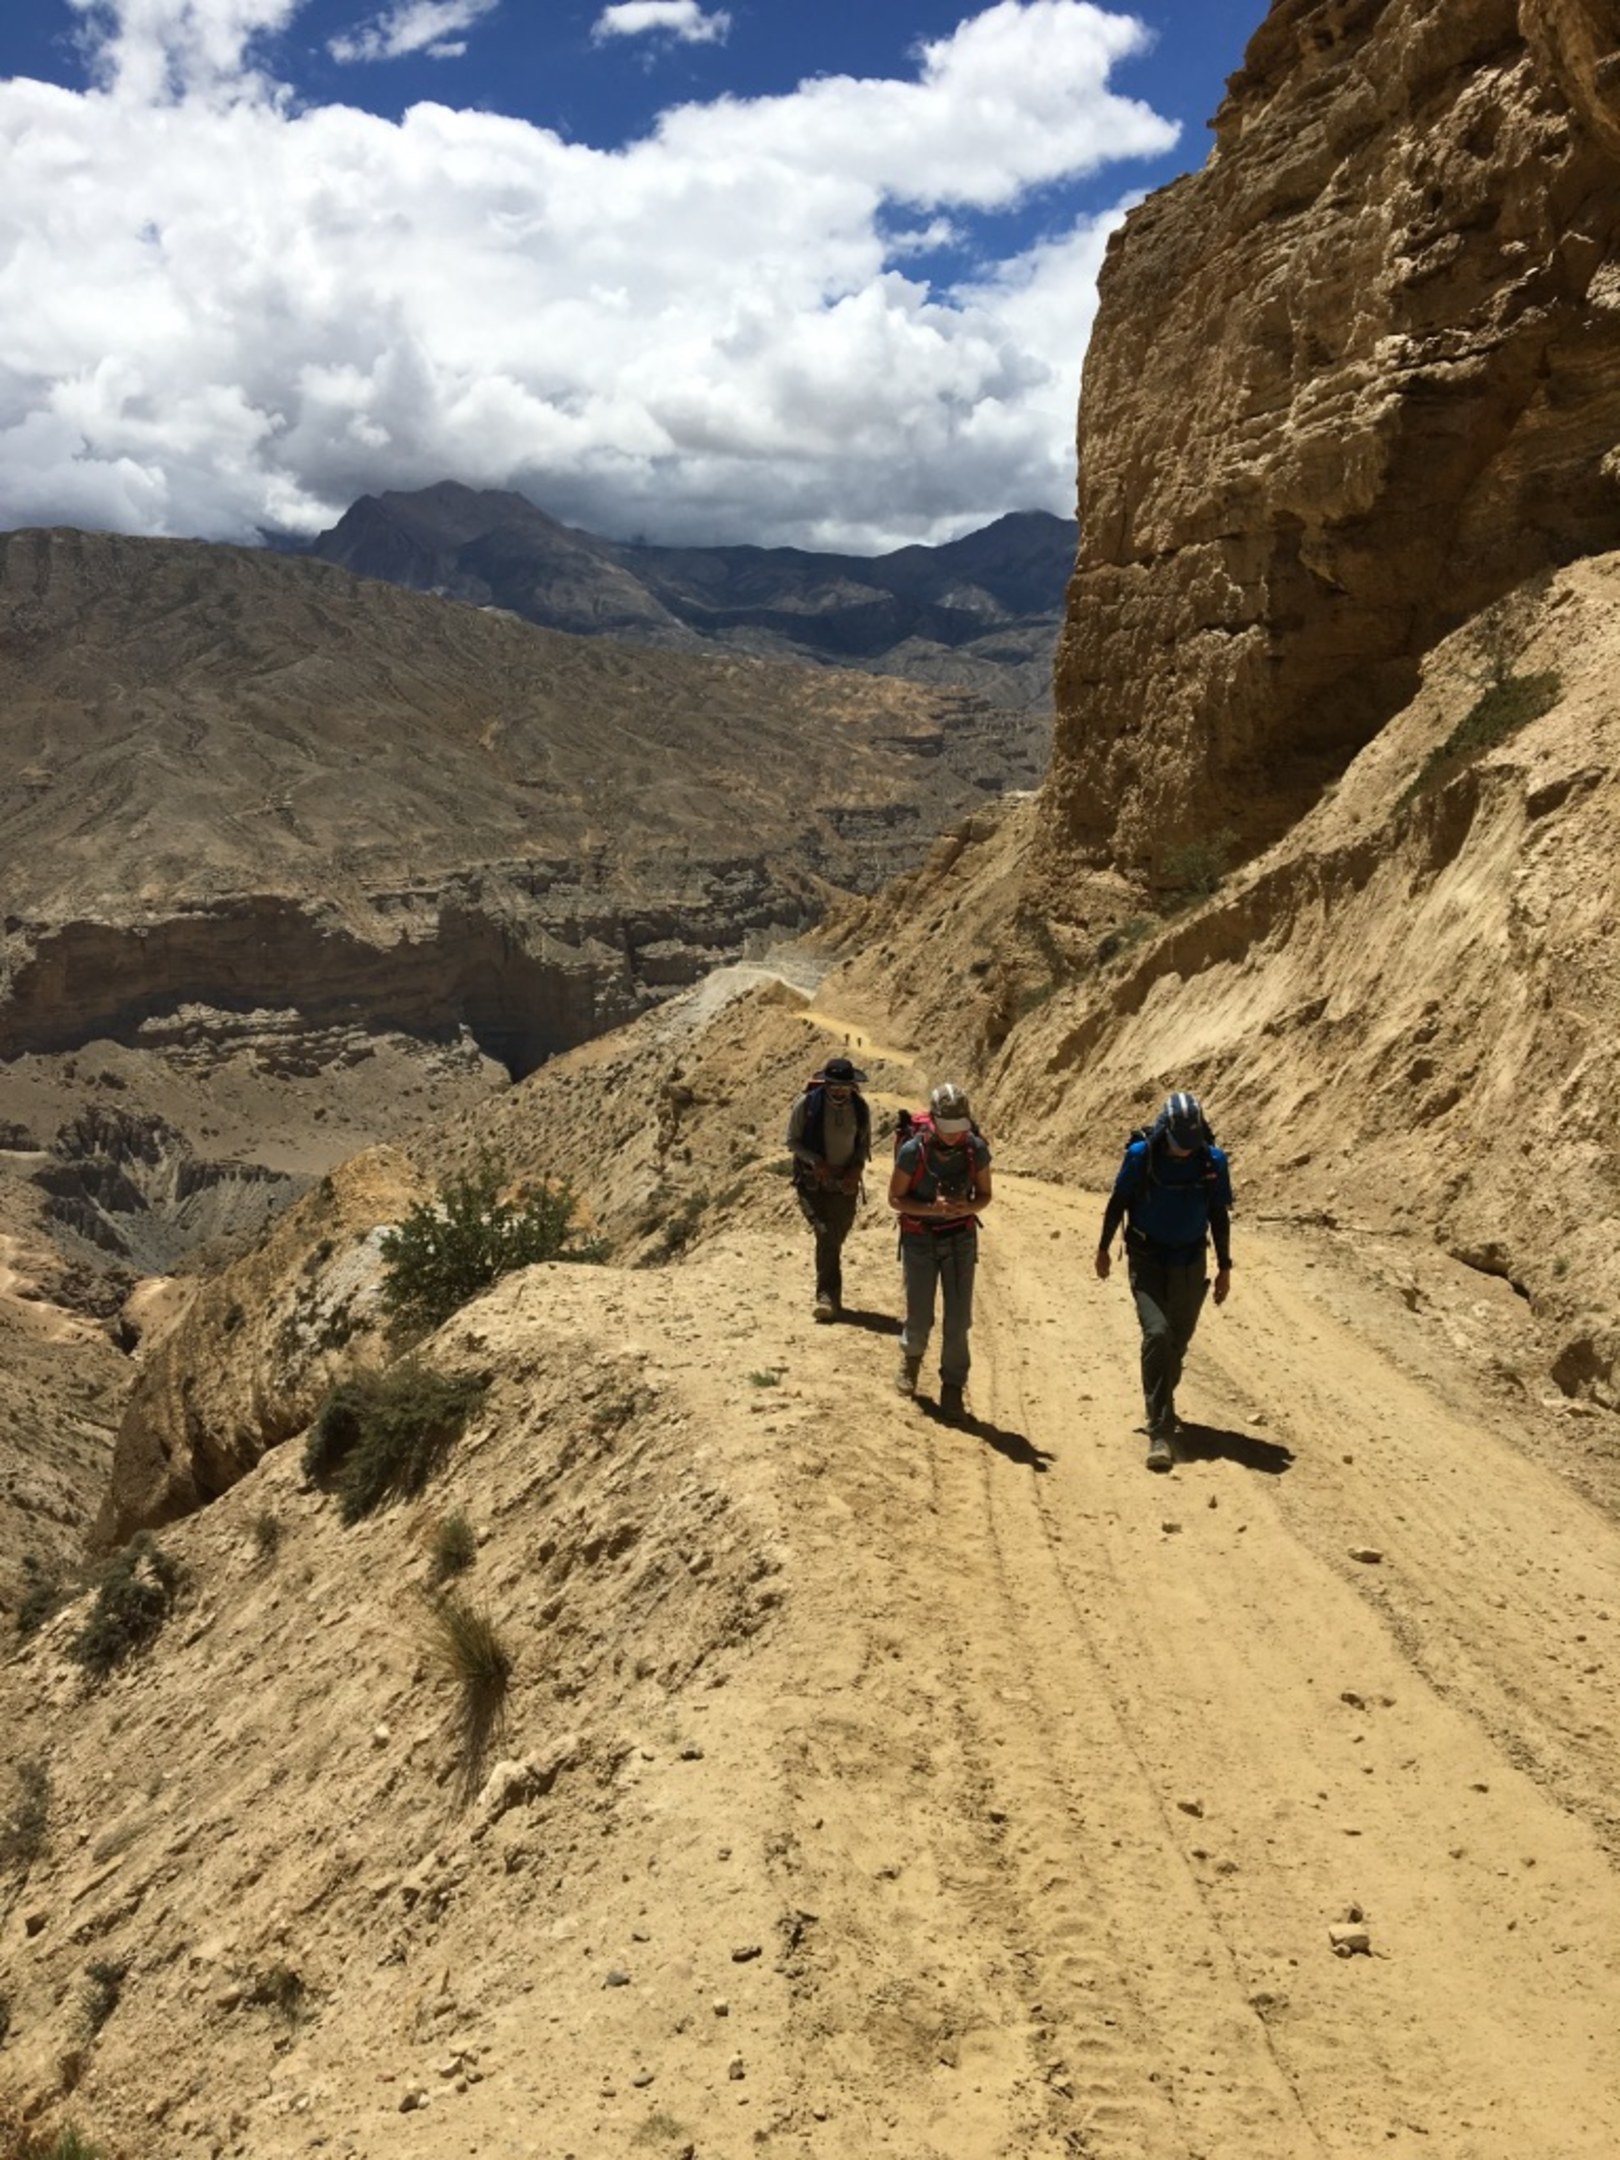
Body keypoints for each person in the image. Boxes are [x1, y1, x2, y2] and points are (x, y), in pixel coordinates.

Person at [1095, 1089, 1232, 1471]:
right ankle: (1160, 1431)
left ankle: (1161, 1398)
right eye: (1178, 1143)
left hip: (1191, 1261)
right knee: (1157, 1333)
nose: (1184, 1151)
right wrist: (1103, 1248)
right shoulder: (1142, 1157)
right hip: (1147, 1259)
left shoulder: (1212, 1161)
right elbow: (1118, 1203)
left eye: (1191, 1143)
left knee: (1177, 1344)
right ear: (1164, 1131)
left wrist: (1225, 1267)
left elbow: (1219, 1215)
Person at [889, 1082, 993, 1419]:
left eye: (959, 1127)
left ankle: (953, 1387)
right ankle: (911, 1362)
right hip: (920, 1239)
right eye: (947, 1128)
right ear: (933, 1121)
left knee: (959, 1319)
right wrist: (932, 1209)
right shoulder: (912, 1152)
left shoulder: (975, 1149)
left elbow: (985, 1195)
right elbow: (895, 1198)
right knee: (919, 1313)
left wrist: (966, 1207)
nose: (953, 1135)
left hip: (961, 1239)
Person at [786, 1055, 872, 1321]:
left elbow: (863, 1144)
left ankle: (831, 1296)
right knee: (825, 1234)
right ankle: (827, 1297)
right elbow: (792, 1141)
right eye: (835, 1086)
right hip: (812, 1182)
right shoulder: (807, 1105)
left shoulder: (860, 1108)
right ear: (826, 1084)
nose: (839, 1092)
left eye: (844, 1087)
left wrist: (856, 1168)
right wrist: (816, 1162)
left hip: (845, 1184)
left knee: (835, 1236)